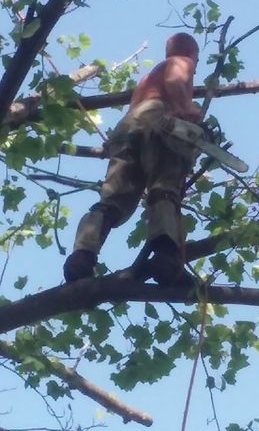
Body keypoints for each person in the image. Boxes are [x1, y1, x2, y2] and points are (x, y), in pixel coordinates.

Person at [64, 32, 202, 285]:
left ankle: (82, 256)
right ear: (192, 53)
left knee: (113, 200)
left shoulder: (147, 81)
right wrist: (188, 110)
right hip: (159, 119)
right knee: (164, 189)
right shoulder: (182, 61)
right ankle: (165, 258)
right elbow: (176, 79)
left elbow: (136, 116)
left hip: (128, 127)